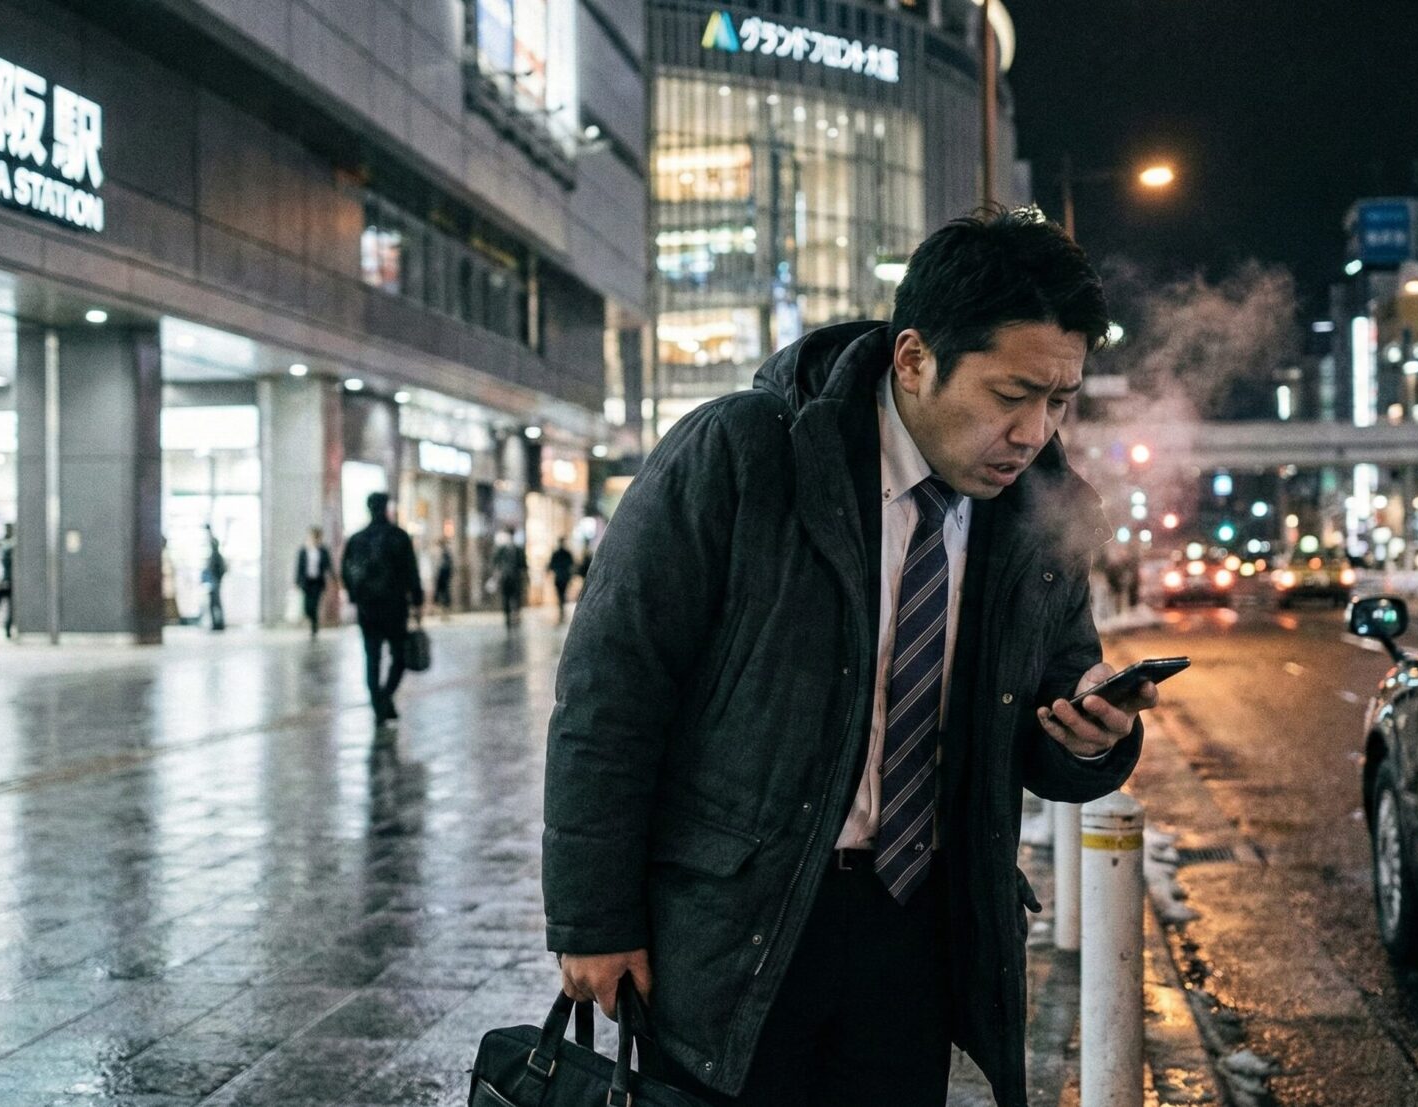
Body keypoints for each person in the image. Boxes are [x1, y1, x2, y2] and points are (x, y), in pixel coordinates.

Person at [543, 209, 1158, 1107]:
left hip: (920, 931)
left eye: (1059, 401)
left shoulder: (1038, 516)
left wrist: (1092, 733)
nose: (1033, 431)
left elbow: (1050, 711)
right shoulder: (746, 455)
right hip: (739, 923)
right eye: (1010, 393)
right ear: (913, 359)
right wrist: (595, 918)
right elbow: (611, 692)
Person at [340, 492, 423, 725]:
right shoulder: (398, 537)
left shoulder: (357, 540)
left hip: (368, 609)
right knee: (399, 657)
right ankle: (385, 697)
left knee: (372, 658)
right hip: (395, 607)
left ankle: (378, 704)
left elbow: (345, 571)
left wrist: (355, 597)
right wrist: (417, 600)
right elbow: (411, 571)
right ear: (387, 508)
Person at [295, 526, 332, 638]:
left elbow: (328, 566)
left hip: (317, 581)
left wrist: (333, 578)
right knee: (307, 606)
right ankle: (312, 621)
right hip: (306, 581)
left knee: (314, 604)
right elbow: (299, 567)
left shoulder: (323, 550)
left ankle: (314, 627)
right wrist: (297, 582)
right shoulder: (303, 550)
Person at [490, 528, 526, 629]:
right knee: (506, 598)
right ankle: (507, 618)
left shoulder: (518, 549)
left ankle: (515, 616)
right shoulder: (501, 549)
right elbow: (495, 562)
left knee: (516, 598)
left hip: (515, 578)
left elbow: (523, 565)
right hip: (505, 578)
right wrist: (497, 574)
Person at [202, 525, 227, 631]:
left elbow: (222, 569)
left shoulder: (216, 556)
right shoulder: (215, 555)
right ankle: (217, 624)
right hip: (214, 582)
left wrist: (216, 579)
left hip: (215, 583)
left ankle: (218, 624)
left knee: (215, 604)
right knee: (214, 604)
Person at [547, 538, 576, 625]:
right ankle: (561, 609)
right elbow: (572, 565)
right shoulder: (566, 553)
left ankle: (561, 609)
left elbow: (551, 565)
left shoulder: (557, 553)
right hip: (564, 577)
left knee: (560, 594)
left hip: (560, 577)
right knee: (562, 594)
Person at [432, 541, 455, 619]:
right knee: (442, 595)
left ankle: (444, 614)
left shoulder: (445, 555)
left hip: (443, 578)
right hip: (442, 578)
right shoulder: (443, 554)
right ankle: (443, 614)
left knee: (443, 595)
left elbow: (448, 567)